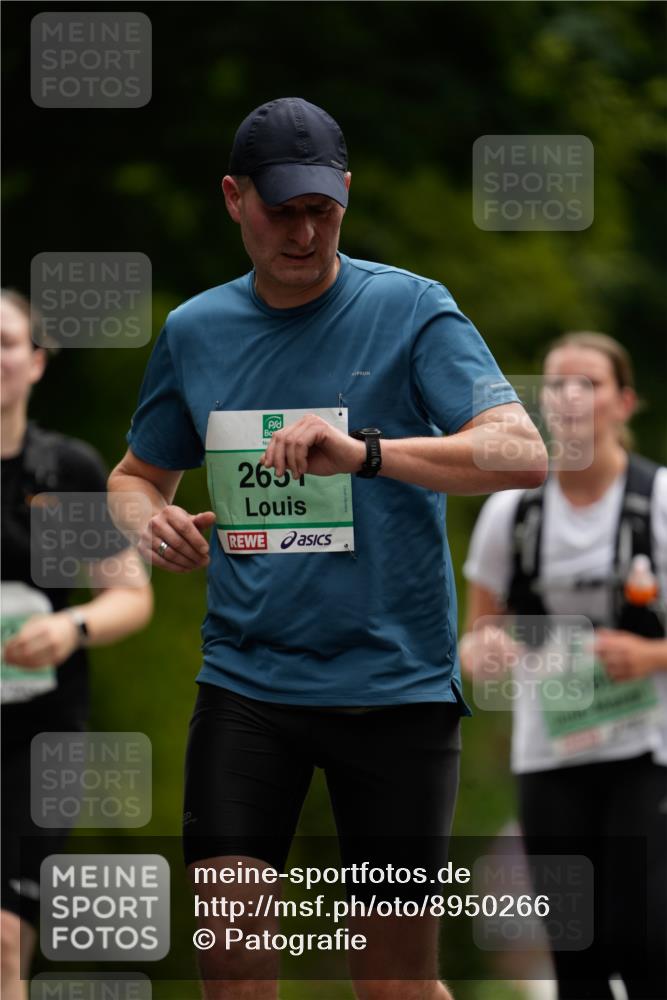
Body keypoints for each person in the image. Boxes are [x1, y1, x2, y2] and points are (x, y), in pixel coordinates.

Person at [108, 97, 547, 1000]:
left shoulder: (411, 308)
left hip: (394, 690)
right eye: (282, 211)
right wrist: (146, 519)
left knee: (390, 983)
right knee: (230, 963)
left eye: (323, 210)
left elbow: (522, 453)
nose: (304, 234)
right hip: (248, 687)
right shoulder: (196, 330)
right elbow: (136, 474)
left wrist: (370, 453)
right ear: (234, 198)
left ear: (345, 195)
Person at [460, 331, 667, 999]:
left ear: (624, 401)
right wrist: (482, 652)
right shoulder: (509, 512)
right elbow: (474, 638)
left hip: (644, 750)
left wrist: (648, 653)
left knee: (639, 941)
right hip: (548, 754)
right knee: (573, 953)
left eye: (589, 384)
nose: (570, 397)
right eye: (556, 384)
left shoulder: (657, 501)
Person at [0, 290, 154, 1000]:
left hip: (40, 737)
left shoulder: (65, 471)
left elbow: (131, 595)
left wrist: (70, 628)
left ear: (34, 361)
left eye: (6, 343)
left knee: (4, 938)